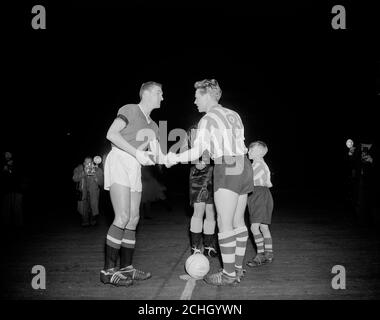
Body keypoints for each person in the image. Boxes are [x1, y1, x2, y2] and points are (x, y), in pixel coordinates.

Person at [167, 79, 254, 286]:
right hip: (244, 164)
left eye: (197, 96)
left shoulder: (207, 119)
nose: (194, 100)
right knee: (238, 221)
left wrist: (174, 158)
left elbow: (198, 152)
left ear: (207, 95)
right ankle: (238, 269)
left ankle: (228, 274)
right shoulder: (234, 114)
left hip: (227, 165)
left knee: (224, 223)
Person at [100, 81, 166, 287]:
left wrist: (182, 155)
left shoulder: (154, 126)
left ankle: (126, 267)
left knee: (133, 218)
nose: (162, 97)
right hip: (119, 159)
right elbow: (111, 134)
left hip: (134, 166)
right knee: (122, 216)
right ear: (146, 94)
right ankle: (108, 271)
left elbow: (159, 156)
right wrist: (137, 152)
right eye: (159, 93)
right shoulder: (130, 109)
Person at [187, 125, 218, 257]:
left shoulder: (211, 138)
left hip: (213, 174)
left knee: (211, 211)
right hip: (198, 176)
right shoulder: (192, 138)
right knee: (198, 210)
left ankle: (209, 246)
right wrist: (197, 159)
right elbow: (194, 158)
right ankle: (195, 247)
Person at [245, 141, 274, 267]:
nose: (248, 152)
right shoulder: (261, 164)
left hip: (259, 195)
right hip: (263, 195)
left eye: (251, 150)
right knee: (264, 227)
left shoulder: (258, 165)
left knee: (254, 227)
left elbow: (248, 181)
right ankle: (269, 253)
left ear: (259, 153)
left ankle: (260, 254)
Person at [72, 157, 104, 227]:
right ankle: (85, 221)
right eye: (86, 163)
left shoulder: (97, 170)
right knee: (83, 207)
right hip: (83, 192)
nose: (88, 164)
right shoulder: (79, 169)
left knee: (93, 207)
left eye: (90, 162)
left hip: (93, 193)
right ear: (84, 163)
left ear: (92, 163)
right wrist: (84, 173)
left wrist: (96, 178)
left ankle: (93, 220)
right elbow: (74, 178)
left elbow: (101, 183)